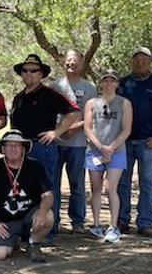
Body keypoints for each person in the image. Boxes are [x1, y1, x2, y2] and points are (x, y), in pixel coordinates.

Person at [9, 53, 80, 240]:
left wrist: (56, 132)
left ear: (41, 74)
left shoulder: (50, 94)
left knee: (48, 188)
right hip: (20, 149)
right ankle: (28, 228)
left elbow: (74, 112)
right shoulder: (18, 98)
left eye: (34, 70)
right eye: (25, 70)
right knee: (23, 188)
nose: (29, 74)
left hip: (42, 147)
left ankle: (49, 230)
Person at [116, 47, 152, 238]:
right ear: (131, 62)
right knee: (122, 183)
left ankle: (145, 223)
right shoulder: (123, 84)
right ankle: (122, 220)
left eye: (144, 60)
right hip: (124, 143)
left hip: (148, 143)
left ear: (150, 62)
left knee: (147, 183)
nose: (140, 63)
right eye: (137, 59)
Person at [0, 130, 54, 263]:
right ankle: (9, 240)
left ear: (23, 148)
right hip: (5, 220)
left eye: (17, 145)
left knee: (48, 216)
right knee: (0, 254)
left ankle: (33, 243)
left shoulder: (35, 166)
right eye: (9, 145)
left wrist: (42, 212)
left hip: (30, 216)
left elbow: (48, 195)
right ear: (3, 149)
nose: (13, 148)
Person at [49, 49, 97, 234]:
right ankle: (53, 221)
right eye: (68, 61)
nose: (71, 64)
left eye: (75, 61)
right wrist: (59, 130)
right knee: (53, 184)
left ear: (82, 63)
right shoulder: (54, 86)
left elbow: (92, 115)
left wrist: (74, 128)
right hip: (56, 143)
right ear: (63, 62)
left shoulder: (89, 87)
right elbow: (49, 113)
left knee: (77, 183)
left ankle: (78, 221)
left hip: (77, 144)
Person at [84, 69, 132, 243]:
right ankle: (96, 225)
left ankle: (113, 227)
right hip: (94, 151)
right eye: (105, 80)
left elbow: (126, 129)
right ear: (100, 83)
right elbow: (88, 128)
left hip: (116, 151)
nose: (109, 84)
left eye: (112, 80)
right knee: (95, 189)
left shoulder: (124, 103)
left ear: (117, 84)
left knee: (110, 188)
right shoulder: (91, 103)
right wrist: (100, 147)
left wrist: (110, 148)